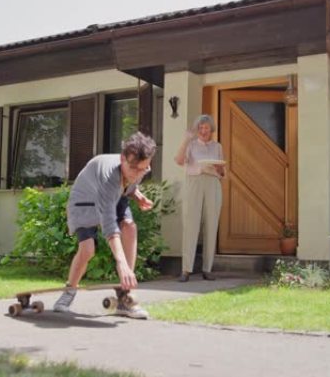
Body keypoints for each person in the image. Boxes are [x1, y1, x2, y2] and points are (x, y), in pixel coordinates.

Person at [53, 132, 156, 319]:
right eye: (134, 169)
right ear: (122, 158)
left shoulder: (138, 167)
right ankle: (69, 292)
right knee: (87, 250)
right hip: (84, 201)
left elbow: (130, 182)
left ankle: (125, 298)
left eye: (144, 169)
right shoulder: (109, 177)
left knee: (130, 227)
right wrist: (122, 264)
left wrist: (137, 194)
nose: (138, 173)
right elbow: (109, 226)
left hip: (115, 197)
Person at [174, 114, 225, 282]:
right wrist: (185, 140)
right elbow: (179, 161)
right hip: (194, 182)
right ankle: (186, 269)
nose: (204, 131)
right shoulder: (190, 144)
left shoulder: (217, 146)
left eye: (207, 128)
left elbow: (222, 173)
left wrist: (219, 168)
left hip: (212, 183)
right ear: (197, 130)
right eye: (201, 128)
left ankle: (207, 269)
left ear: (211, 130)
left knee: (212, 224)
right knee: (191, 224)